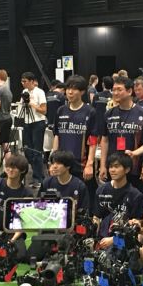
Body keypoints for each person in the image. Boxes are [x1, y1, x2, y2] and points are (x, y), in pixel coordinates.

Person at [52, 75, 97, 211]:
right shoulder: (61, 111)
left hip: (81, 164)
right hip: (62, 164)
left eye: (74, 89)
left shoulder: (90, 111)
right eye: (68, 89)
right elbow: (57, 136)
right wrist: (53, 161)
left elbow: (93, 140)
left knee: (82, 202)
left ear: (82, 92)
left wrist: (90, 164)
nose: (70, 92)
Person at [99, 76, 143, 191]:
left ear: (129, 91)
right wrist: (102, 165)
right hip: (113, 167)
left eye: (119, 90)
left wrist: (134, 153)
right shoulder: (108, 114)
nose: (115, 93)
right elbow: (104, 140)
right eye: (113, 90)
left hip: (134, 167)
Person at [94, 152, 143, 247]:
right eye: (110, 167)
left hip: (124, 241)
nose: (112, 170)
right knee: (88, 260)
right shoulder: (101, 190)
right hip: (102, 239)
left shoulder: (135, 195)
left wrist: (114, 240)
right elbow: (96, 217)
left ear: (127, 169)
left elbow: (136, 226)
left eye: (116, 167)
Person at [19, 72, 47, 189]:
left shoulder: (39, 92)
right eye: (22, 81)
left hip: (38, 123)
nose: (23, 83)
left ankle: (38, 178)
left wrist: (32, 104)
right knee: (27, 150)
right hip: (26, 122)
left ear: (31, 81)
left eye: (25, 81)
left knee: (37, 151)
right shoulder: (24, 93)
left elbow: (44, 110)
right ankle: (35, 174)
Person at [92, 76, 113, 140]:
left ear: (103, 84)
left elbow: (93, 108)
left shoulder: (97, 96)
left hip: (98, 123)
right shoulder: (114, 97)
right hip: (110, 124)